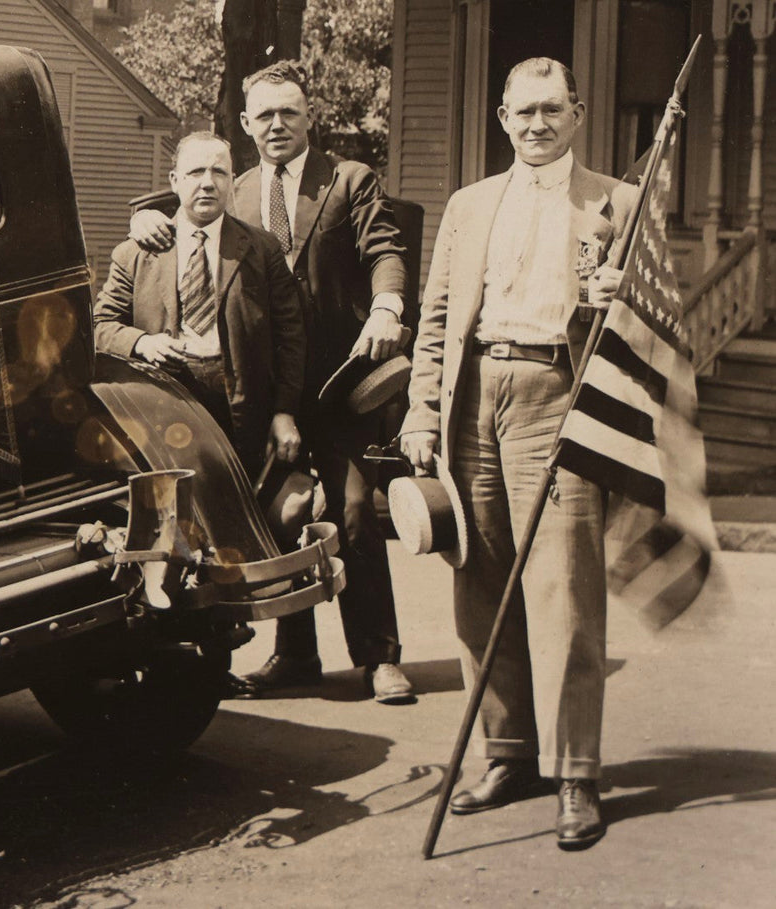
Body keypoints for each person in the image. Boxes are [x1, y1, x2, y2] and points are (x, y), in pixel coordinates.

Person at [399, 57, 635, 850]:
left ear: (576, 111)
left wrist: (618, 303)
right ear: (501, 117)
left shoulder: (617, 203)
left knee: (563, 587)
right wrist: (421, 413)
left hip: (555, 397)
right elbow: (434, 319)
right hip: (473, 398)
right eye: (521, 111)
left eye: (549, 110)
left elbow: (660, 337)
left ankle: (574, 772)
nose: (535, 124)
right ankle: (508, 755)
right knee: (478, 577)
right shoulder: (468, 205)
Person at [129, 60, 412, 703]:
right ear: (246, 124)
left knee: (355, 512)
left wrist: (389, 307)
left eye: (289, 112)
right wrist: (142, 224)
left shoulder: (348, 180)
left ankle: (379, 657)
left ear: (309, 116)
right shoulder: (236, 187)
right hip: (262, 392)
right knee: (276, 516)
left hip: (338, 383)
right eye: (264, 115)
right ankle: (295, 654)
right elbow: (179, 224)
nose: (276, 124)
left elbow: (386, 252)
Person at [94, 130, 305, 488]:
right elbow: (100, 325)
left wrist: (284, 411)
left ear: (232, 182)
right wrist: (143, 342)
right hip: (166, 403)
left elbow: (292, 336)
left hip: (242, 408)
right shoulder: (137, 252)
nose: (208, 183)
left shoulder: (261, 249)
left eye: (219, 172)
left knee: (257, 509)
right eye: (196, 173)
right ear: (175, 181)